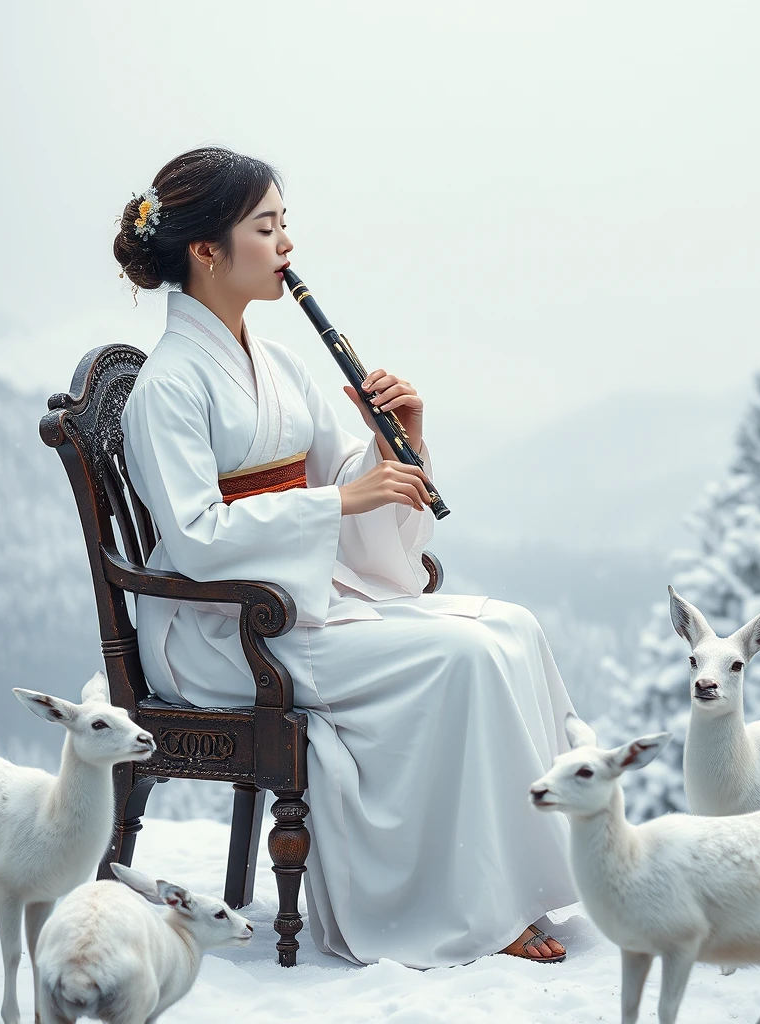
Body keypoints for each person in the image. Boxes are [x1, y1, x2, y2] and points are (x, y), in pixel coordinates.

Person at [114, 146, 576, 969]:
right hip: (222, 626)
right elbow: (193, 538)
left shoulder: (280, 362)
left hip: (296, 595)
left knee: (514, 628)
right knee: (463, 654)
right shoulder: (171, 383)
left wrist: (394, 441)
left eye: (286, 224)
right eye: (265, 227)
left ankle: (526, 878)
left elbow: (346, 482)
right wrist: (337, 503)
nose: (286, 245)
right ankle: (461, 905)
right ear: (206, 251)